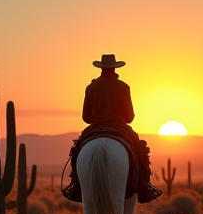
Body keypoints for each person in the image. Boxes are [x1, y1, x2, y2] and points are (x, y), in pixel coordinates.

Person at [61, 54, 162, 203]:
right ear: (114, 68)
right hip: (120, 127)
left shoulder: (91, 87)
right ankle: (143, 187)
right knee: (140, 151)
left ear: (101, 68)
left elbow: (86, 117)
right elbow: (129, 118)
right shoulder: (123, 87)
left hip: (95, 127)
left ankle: (76, 186)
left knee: (76, 150)